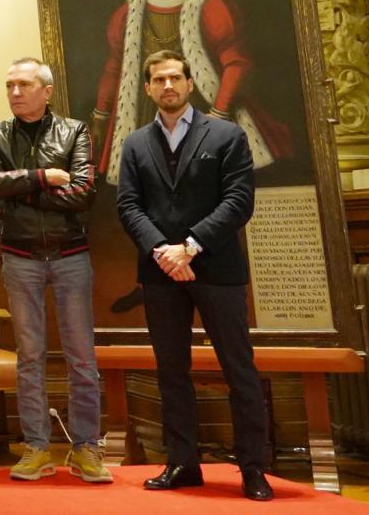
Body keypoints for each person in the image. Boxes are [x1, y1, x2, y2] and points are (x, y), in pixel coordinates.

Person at [116, 49, 273, 502]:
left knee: (239, 370)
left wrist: (190, 247)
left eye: (175, 78)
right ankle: (182, 463)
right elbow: (128, 205)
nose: (167, 85)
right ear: (147, 88)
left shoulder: (226, 135)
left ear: (189, 84)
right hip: (161, 271)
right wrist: (163, 252)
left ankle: (253, 469)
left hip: (216, 268)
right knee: (171, 372)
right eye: (158, 79)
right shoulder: (134, 144)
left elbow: (238, 202)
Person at [0, 58, 110, 483]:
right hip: (20, 256)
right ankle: (35, 447)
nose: (15, 92)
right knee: (29, 356)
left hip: (71, 255)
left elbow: (84, 193)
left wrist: (23, 190)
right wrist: (44, 176)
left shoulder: (74, 131)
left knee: (81, 357)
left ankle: (86, 447)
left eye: (24, 85)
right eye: (10, 85)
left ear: (46, 90)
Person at [90, 0, 290, 183]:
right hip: (146, 106)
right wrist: (101, 112)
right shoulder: (131, 11)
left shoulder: (207, 2)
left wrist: (219, 111)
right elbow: (114, 67)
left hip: (202, 103)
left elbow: (237, 63)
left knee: (206, 179)